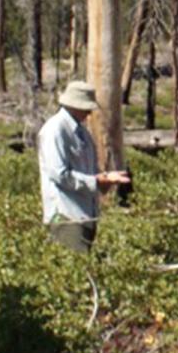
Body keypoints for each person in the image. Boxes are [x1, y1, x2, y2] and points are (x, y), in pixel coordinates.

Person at [38, 81, 130, 252]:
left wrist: (106, 178)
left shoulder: (82, 132)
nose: (89, 113)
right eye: (86, 108)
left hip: (85, 215)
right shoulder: (54, 130)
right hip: (66, 216)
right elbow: (59, 174)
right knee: (75, 270)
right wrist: (97, 181)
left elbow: (90, 171)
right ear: (74, 105)